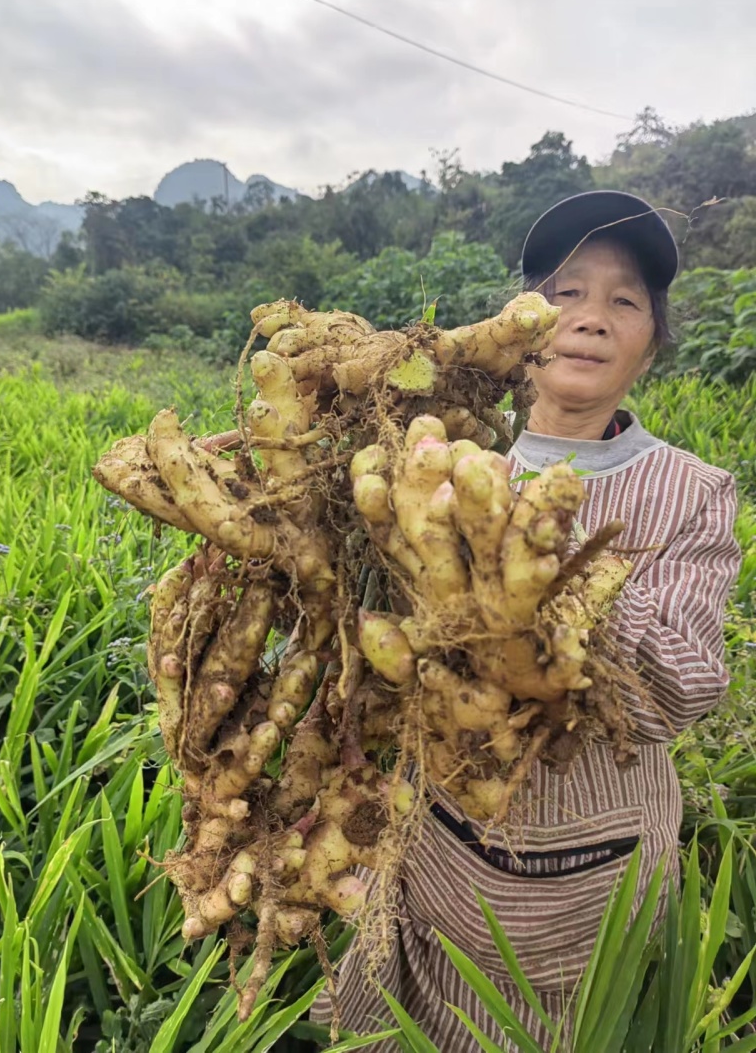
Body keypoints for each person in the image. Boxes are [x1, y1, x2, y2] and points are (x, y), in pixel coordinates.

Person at [311, 191, 741, 1050]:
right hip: (431, 829)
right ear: (517, 326)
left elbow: (679, 693)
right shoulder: (439, 454)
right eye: (567, 292)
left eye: (625, 302)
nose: (590, 318)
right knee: (402, 1015)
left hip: (594, 863)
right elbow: (354, 637)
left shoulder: (694, 491)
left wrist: (539, 537)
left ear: (651, 344)